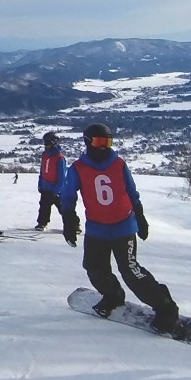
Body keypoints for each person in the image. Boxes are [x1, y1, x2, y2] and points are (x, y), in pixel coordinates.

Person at [58, 123, 178, 332]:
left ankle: (165, 306)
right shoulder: (78, 168)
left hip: (123, 226)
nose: (104, 147)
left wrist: (140, 216)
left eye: (107, 142)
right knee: (95, 269)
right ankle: (113, 295)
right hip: (97, 229)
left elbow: (131, 191)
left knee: (131, 271)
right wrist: (69, 220)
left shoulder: (118, 164)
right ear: (88, 142)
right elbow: (67, 196)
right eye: (99, 142)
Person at [34, 131, 75, 234]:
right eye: (44, 142)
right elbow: (42, 171)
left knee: (64, 208)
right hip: (45, 187)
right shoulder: (45, 155)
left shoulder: (59, 158)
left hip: (57, 189)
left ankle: (73, 225)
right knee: (44, 206)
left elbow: (62, 176)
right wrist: (40, 183)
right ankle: (42, 222)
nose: (45, 145)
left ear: (53, 142)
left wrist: (57, 190)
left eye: (47, 142)